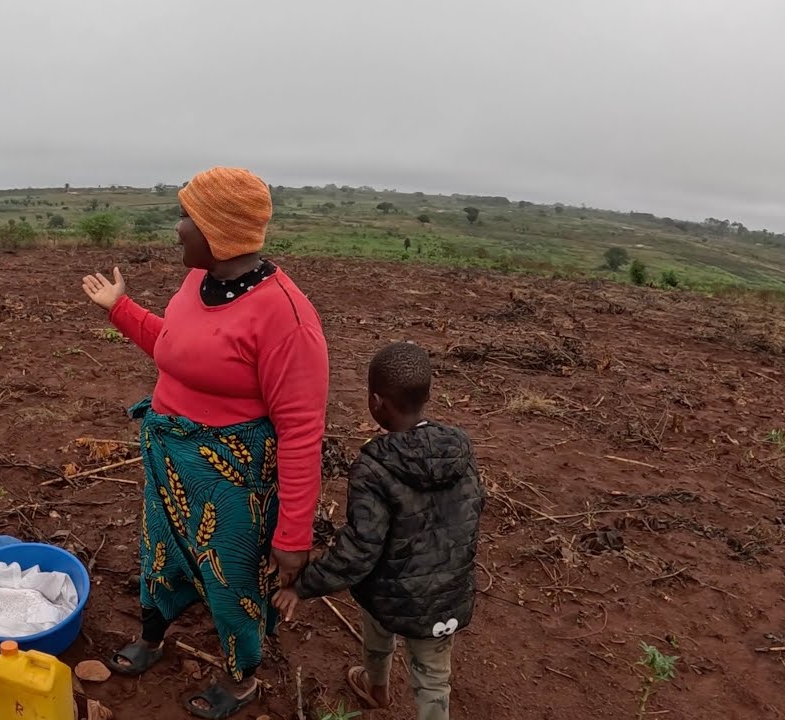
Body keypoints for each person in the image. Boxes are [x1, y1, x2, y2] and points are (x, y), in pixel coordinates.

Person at [80, 167, 329, 719]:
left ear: (218, 230)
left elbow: (302, 432)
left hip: (232, 479)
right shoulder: (197, 283)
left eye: (187, 217)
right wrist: (121, 308)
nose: (177, 228)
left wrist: (293, 534)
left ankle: (240, 677)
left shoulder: (287, 317)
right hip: (171, 462)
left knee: (233, 575)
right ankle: (152, 636)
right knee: (161, 555)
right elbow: (176, 347)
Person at [274, 342, 484, 720]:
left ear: (376, 402)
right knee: (434, 680)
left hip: (388, 591)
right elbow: (471, 514)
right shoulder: (461, 451)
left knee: (377, 634)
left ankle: (376, 687)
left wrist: (302, 585)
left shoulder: (374, 467)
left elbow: (359, 552)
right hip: (445, 597)